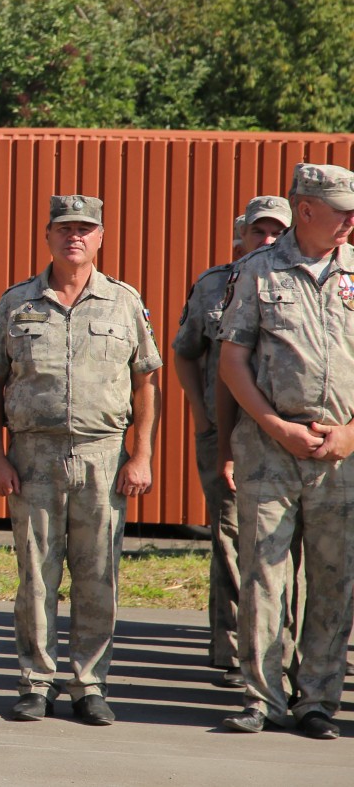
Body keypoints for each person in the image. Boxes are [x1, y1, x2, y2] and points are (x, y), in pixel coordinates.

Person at [0, 194, 161, 726]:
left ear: (100, 237)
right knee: (35, 573)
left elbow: (145, 385)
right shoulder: (18, 303)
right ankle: (36, 682)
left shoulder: (124, 303)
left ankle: (89, 683)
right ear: (48, 237)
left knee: (98, 571)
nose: (74, 237)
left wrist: (141, 454)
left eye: (85, 229)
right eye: (64, 228)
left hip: (103, 455)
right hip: (33, 456)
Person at [218, 163, 354, 740]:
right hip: (270, 451)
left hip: (341, 452)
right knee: (266, 575)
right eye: (339, 208)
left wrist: (352, 433)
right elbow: (231, 362)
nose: (350, 219)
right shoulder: (256, 271)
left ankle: (317, 698)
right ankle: (262, 697)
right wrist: (277, 427)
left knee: (333, 576)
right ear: (304, 210)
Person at [170, 195, 290, 688]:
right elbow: (185, 352)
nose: (267, 241)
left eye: (276, 233)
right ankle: (232, 648)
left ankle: (288, 651)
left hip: (288, 437)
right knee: (230, 538)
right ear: (240, 234)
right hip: (225, 432)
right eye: (258, 232)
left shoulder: (306, 283)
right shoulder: (214, 285)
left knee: (285, 547)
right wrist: (202, 419)